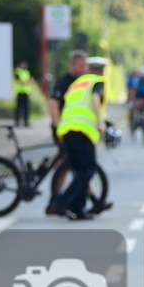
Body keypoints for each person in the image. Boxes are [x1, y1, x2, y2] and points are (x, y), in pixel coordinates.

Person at [51, 56, 110, 220]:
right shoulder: (97, 82)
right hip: (82, 129)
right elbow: (95, 99)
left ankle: (78, 208)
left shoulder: (77, 83)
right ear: (102, 71)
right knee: (88, 170)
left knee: (79, 170)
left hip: (67, 128)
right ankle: (62, 202)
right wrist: (100, 122)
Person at [13, 61, 33, 127]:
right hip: (19, 92)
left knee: (26, 108)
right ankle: (17, 122)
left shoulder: (27, 72)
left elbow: (30, 80)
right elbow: (20, 81)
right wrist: (27, 81)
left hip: (26, 92)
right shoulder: (18, 72)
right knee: (18, 108)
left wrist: (25, 82)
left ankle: (26, 122)